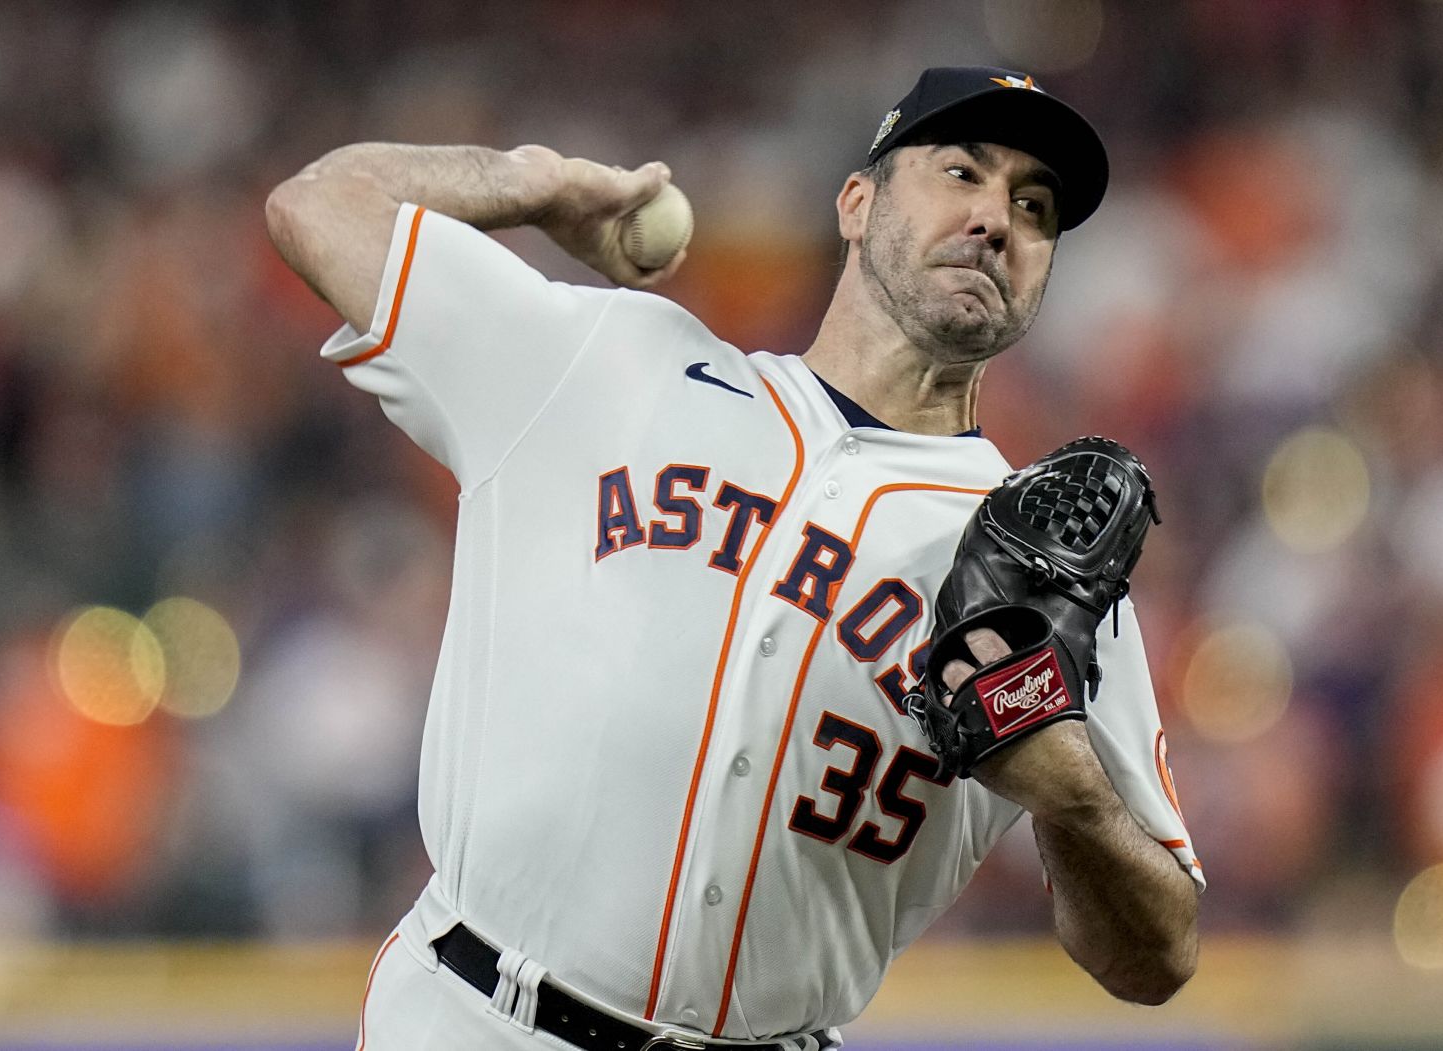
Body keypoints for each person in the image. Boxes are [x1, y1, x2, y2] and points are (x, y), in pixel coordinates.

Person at [265, 65, 1201, 1051]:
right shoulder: (607, 362)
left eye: (1034, 205)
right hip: (471, 1018)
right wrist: (535, 185)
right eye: (960, 172)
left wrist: (1075, 803)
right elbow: (318, 206)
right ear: (855, 202)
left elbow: (1157, 956)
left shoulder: (1050, 572)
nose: (994, 219)